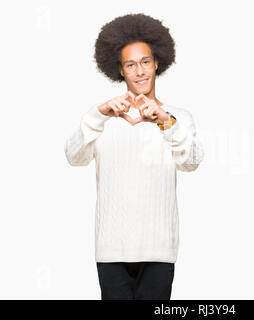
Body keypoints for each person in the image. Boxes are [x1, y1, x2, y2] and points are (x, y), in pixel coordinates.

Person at [64, 13, 204, 300]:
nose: (139, 71)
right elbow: (73, 157)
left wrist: (165, 121)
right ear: (120, 70)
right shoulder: (102, 119)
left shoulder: (178, 117)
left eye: (144, 62)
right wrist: (97, 115)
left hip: (159, 250)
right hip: (112, 250)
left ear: (156, 63)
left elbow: (191, 161)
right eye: (130, 65)